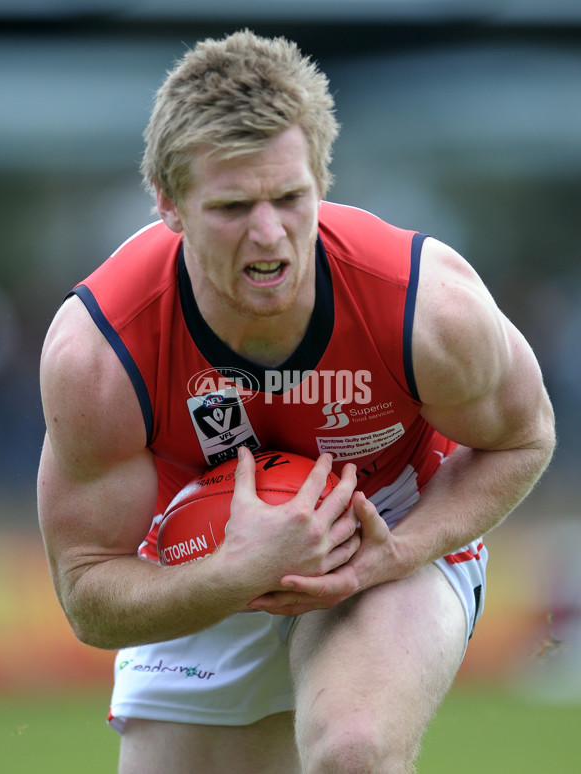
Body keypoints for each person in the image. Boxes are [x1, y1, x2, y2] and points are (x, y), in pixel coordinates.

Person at [37, 29, 555, 774]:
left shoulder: (426, 307)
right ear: (168, 203)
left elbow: (524, 438)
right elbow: (87, 593)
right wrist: (237, 570)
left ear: (322, 177)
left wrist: (394, 554)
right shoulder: (100, 351)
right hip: (201, 544)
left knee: (353, 753)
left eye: (289, 197)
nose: (269, 235)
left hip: (392, 519)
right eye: (232, 206)